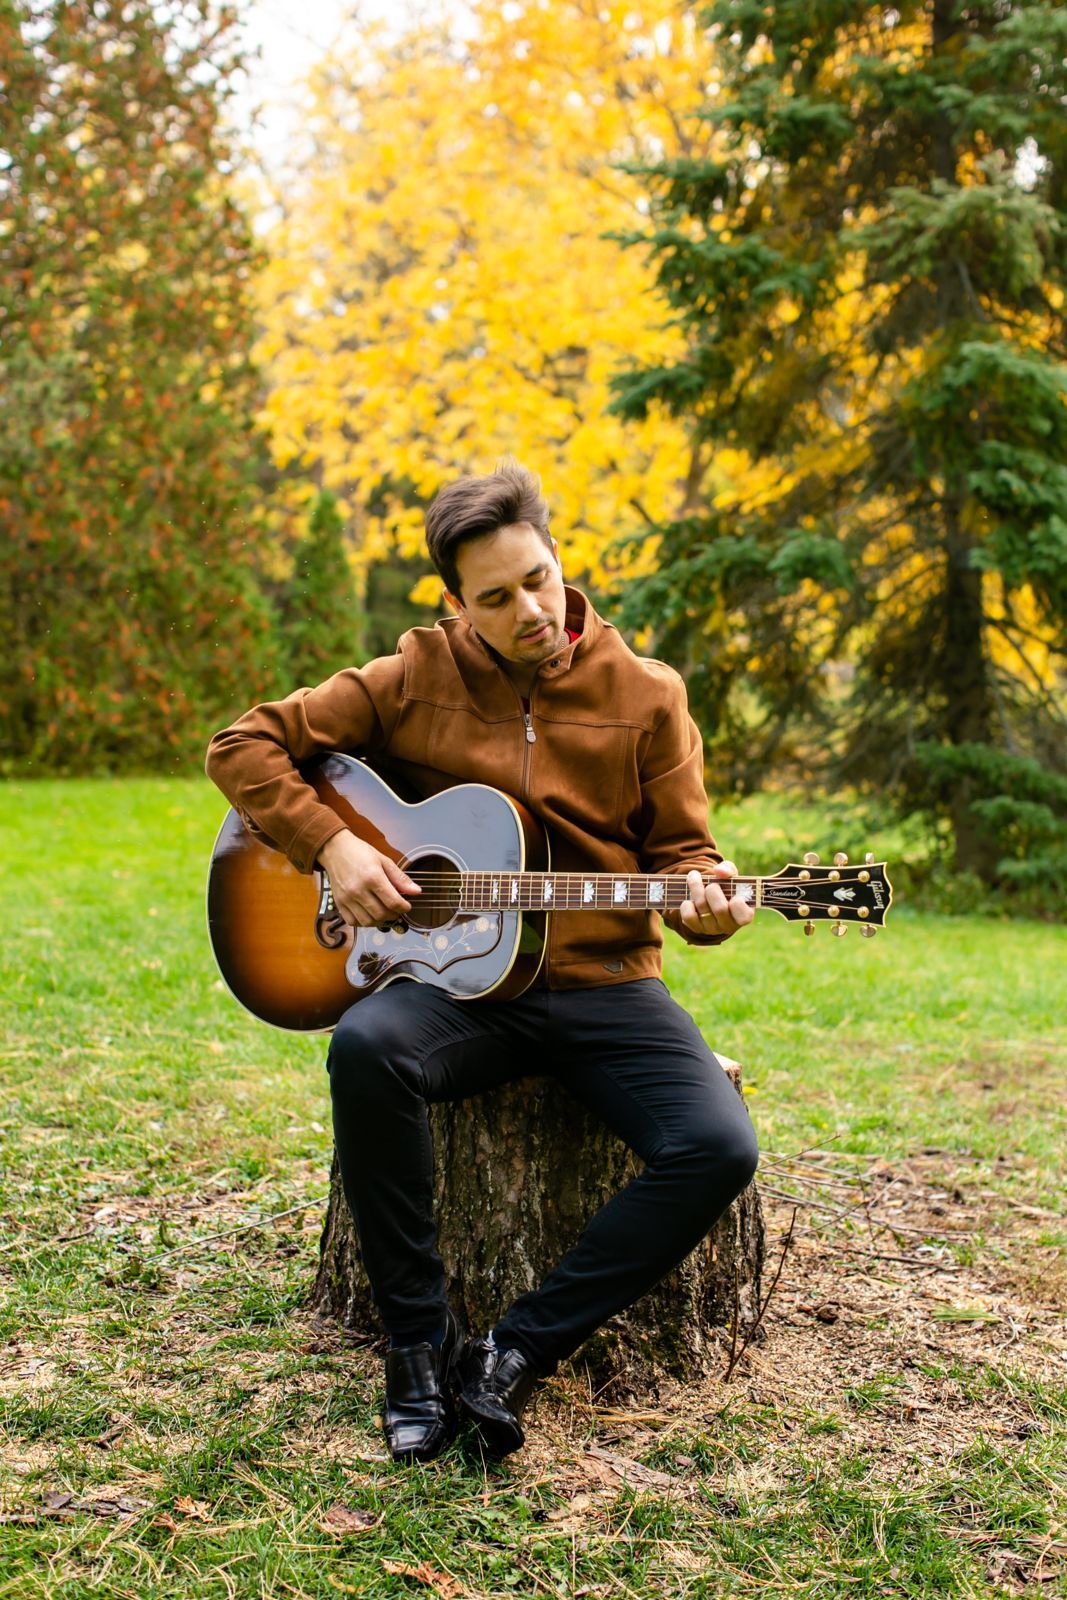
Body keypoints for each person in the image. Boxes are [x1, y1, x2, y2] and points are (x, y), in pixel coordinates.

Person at [205, 460, 758, 1465]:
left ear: (556, 560)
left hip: (605, 985)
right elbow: (242, 745)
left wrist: (709, 903)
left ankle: (511, 1352)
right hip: (456, 988)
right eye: (495, 599)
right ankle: (415, 1343)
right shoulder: (413, 674)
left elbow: (685, 858)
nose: (528, 611)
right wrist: (335, 847)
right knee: (365, 1049)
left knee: (716, 1147)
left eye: (537, 580)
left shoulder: (647, 694)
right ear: (457, 604)